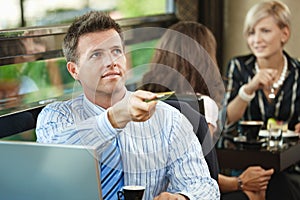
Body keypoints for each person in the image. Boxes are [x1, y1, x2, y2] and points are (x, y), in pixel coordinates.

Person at [35, 11, 220, 200]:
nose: (111, 62)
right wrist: (114, 119)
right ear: (74, 70)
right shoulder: (56, 116)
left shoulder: (169, 118)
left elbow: (205, 187)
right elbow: (55, 157)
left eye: (116, 51)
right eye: (96, 55)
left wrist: (183, 198)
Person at [140, 21, 274, 200]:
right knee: (256, 193)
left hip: (149, 192)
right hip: (186, 194)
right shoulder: (201, 104)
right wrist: (239, 182)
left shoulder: (143, 99)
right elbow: (203, 173)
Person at [222, 1, 300, 200]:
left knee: (278, 182)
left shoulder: (298, 73)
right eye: (251, 32)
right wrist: (248, 89)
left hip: (290, 166)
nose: (256, 39)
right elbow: (227, 119)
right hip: (243, 165)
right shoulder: (239, 67)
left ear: (284, 33)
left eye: (265, 31)